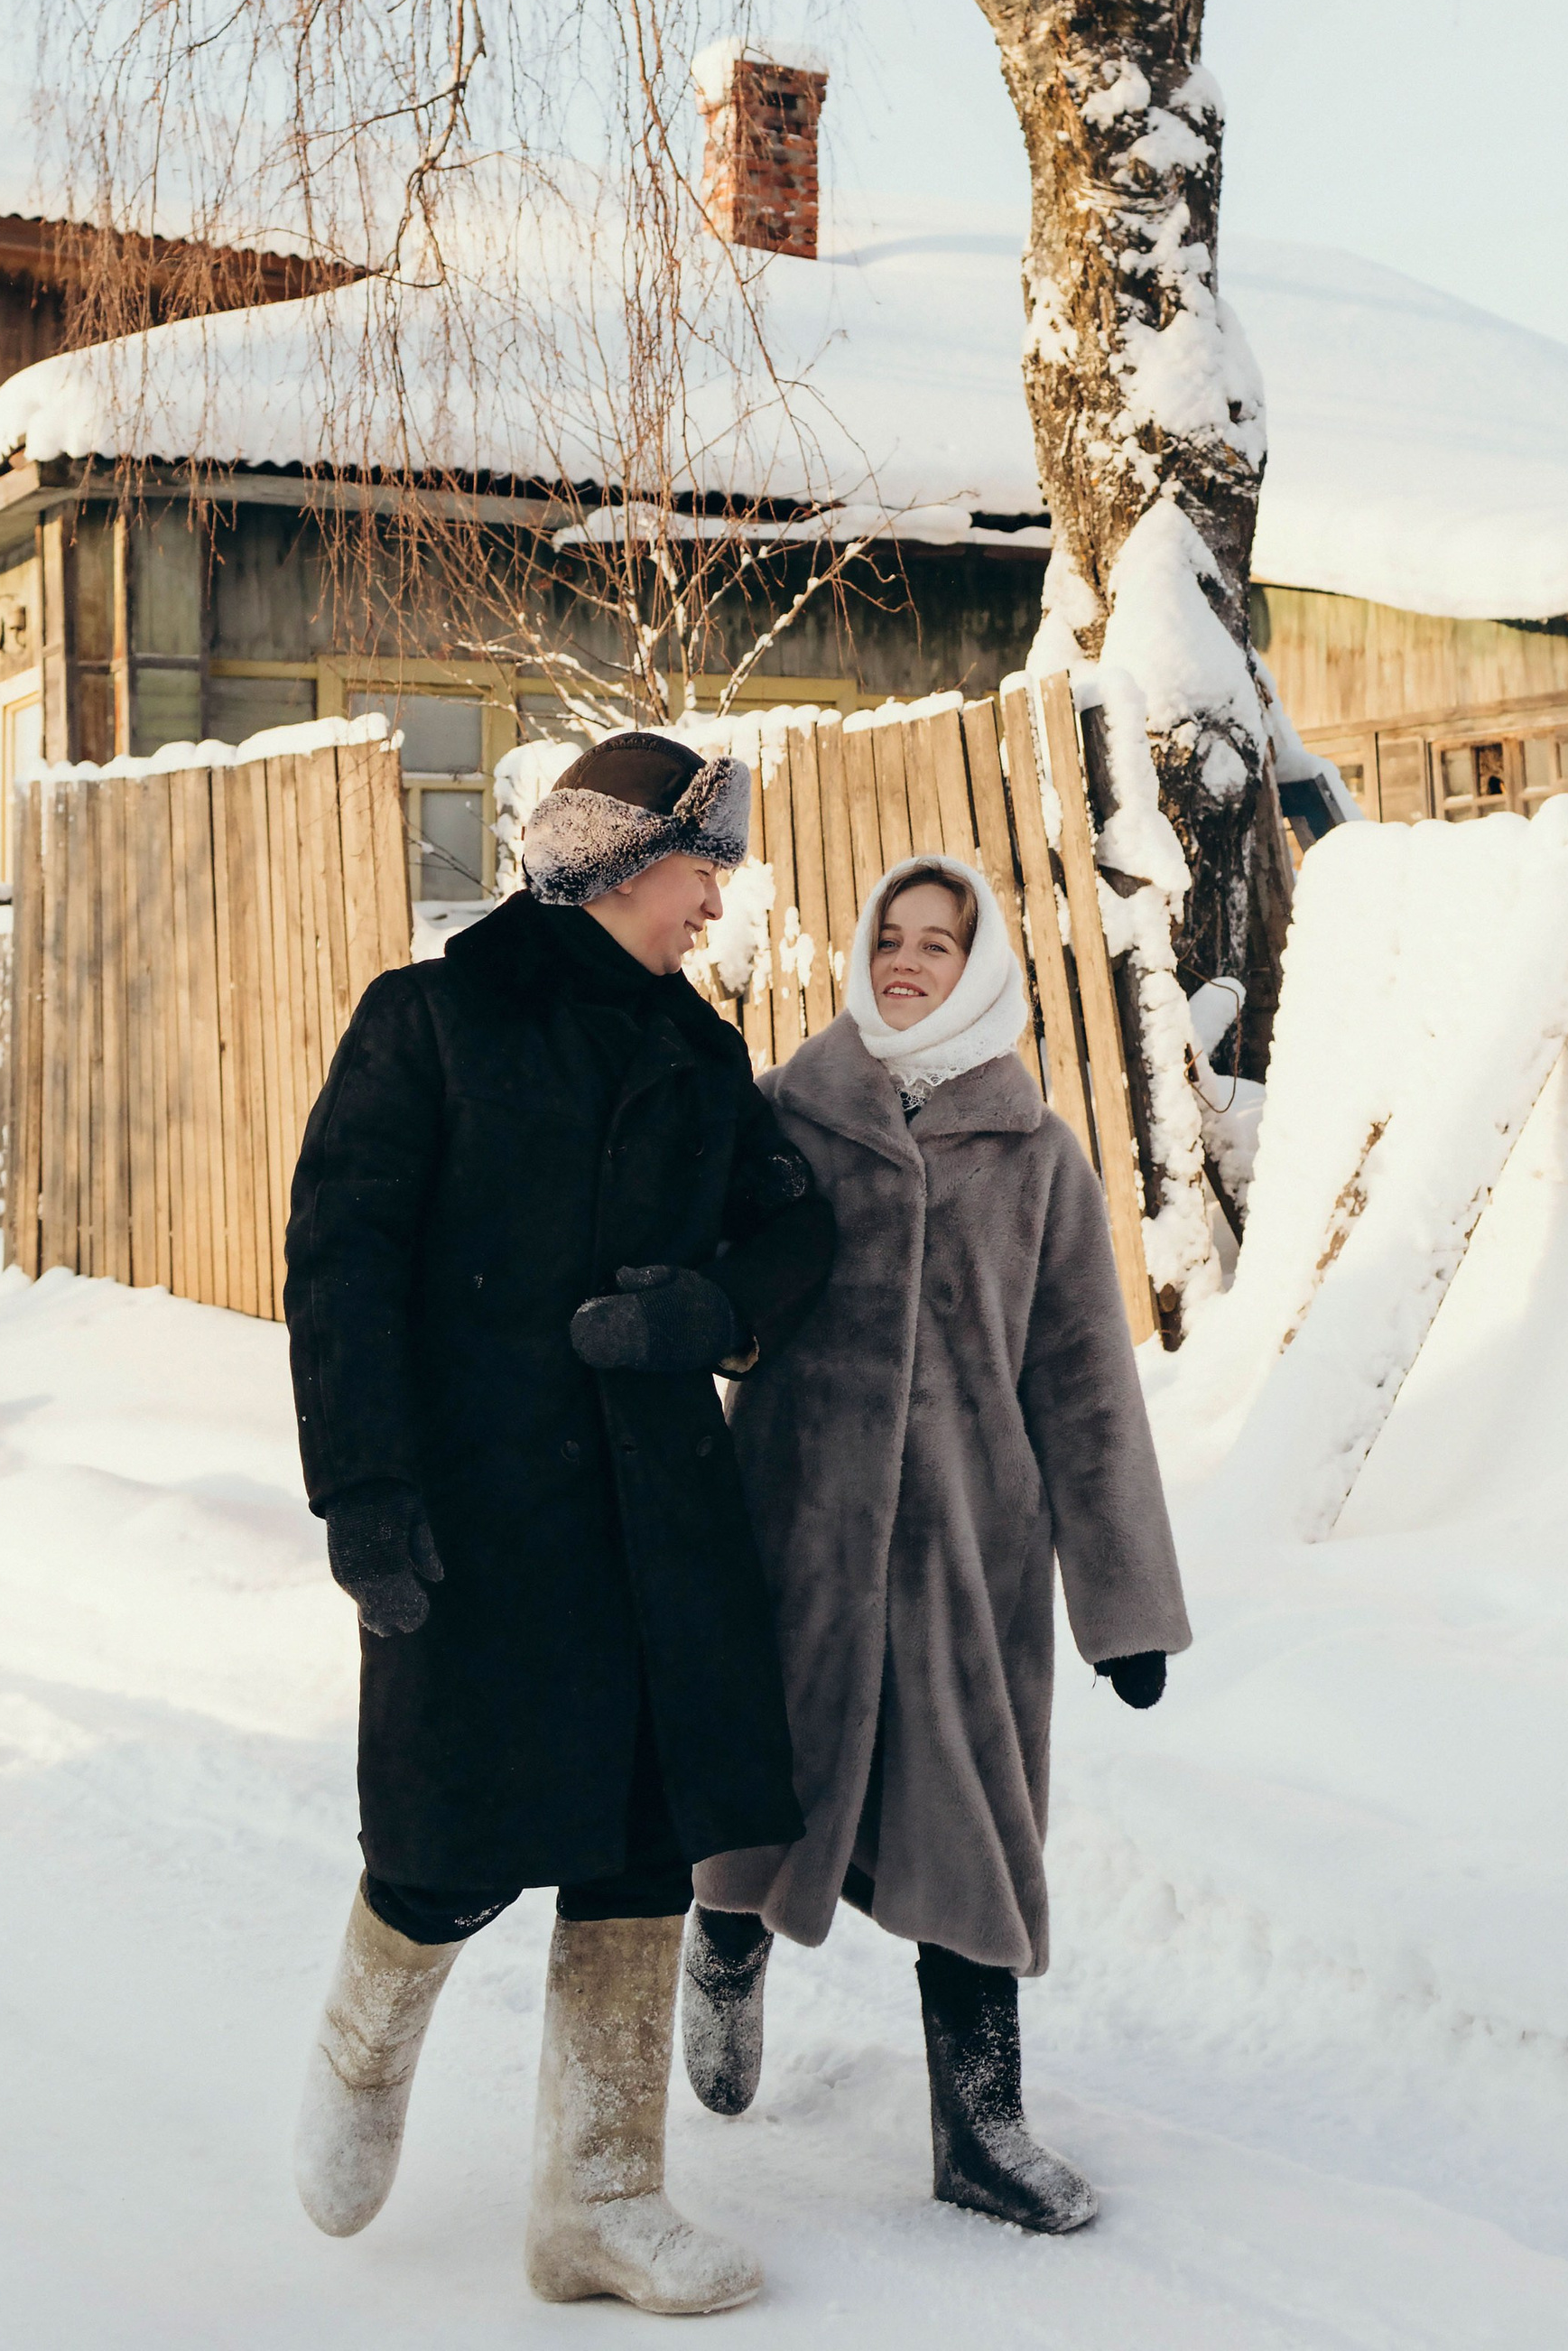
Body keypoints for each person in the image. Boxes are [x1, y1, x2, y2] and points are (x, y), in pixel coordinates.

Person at [282, 729, 834, 2314]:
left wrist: (713, 1308)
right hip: (481, 1505)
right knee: (448, 1838)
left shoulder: (699, 1051)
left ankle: (599, 2195)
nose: (715, 900)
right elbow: (341, 1263)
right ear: (612, 859)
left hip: (654, 1511)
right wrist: (366, 1492)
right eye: (697, 863)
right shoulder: (433, 1020)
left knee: (643, 1844)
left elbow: (799, 1219)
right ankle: (362, 2042)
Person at [684, 852, 1191, 2233]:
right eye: (890, 937)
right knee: (756, 1796)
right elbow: (718, 1290)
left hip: (971, 1559)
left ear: (982, 969)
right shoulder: (792, 1113)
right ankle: (723, 1951)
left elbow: (1086, 1383)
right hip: (792, 1533)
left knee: (968, 1829)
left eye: (938, 944)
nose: (906, 962)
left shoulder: (1034, 1154)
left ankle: (981, 2126)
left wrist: (1125, 1603)